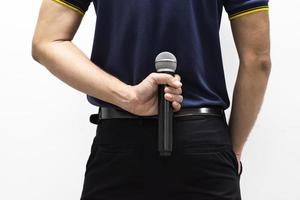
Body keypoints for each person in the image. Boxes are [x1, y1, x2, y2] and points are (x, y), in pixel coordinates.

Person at [32, 0, 271, 199]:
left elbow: (47, 42)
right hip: (202, 140)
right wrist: (233, 152)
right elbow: (258, 61)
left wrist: (129, 97)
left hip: (120, 138)